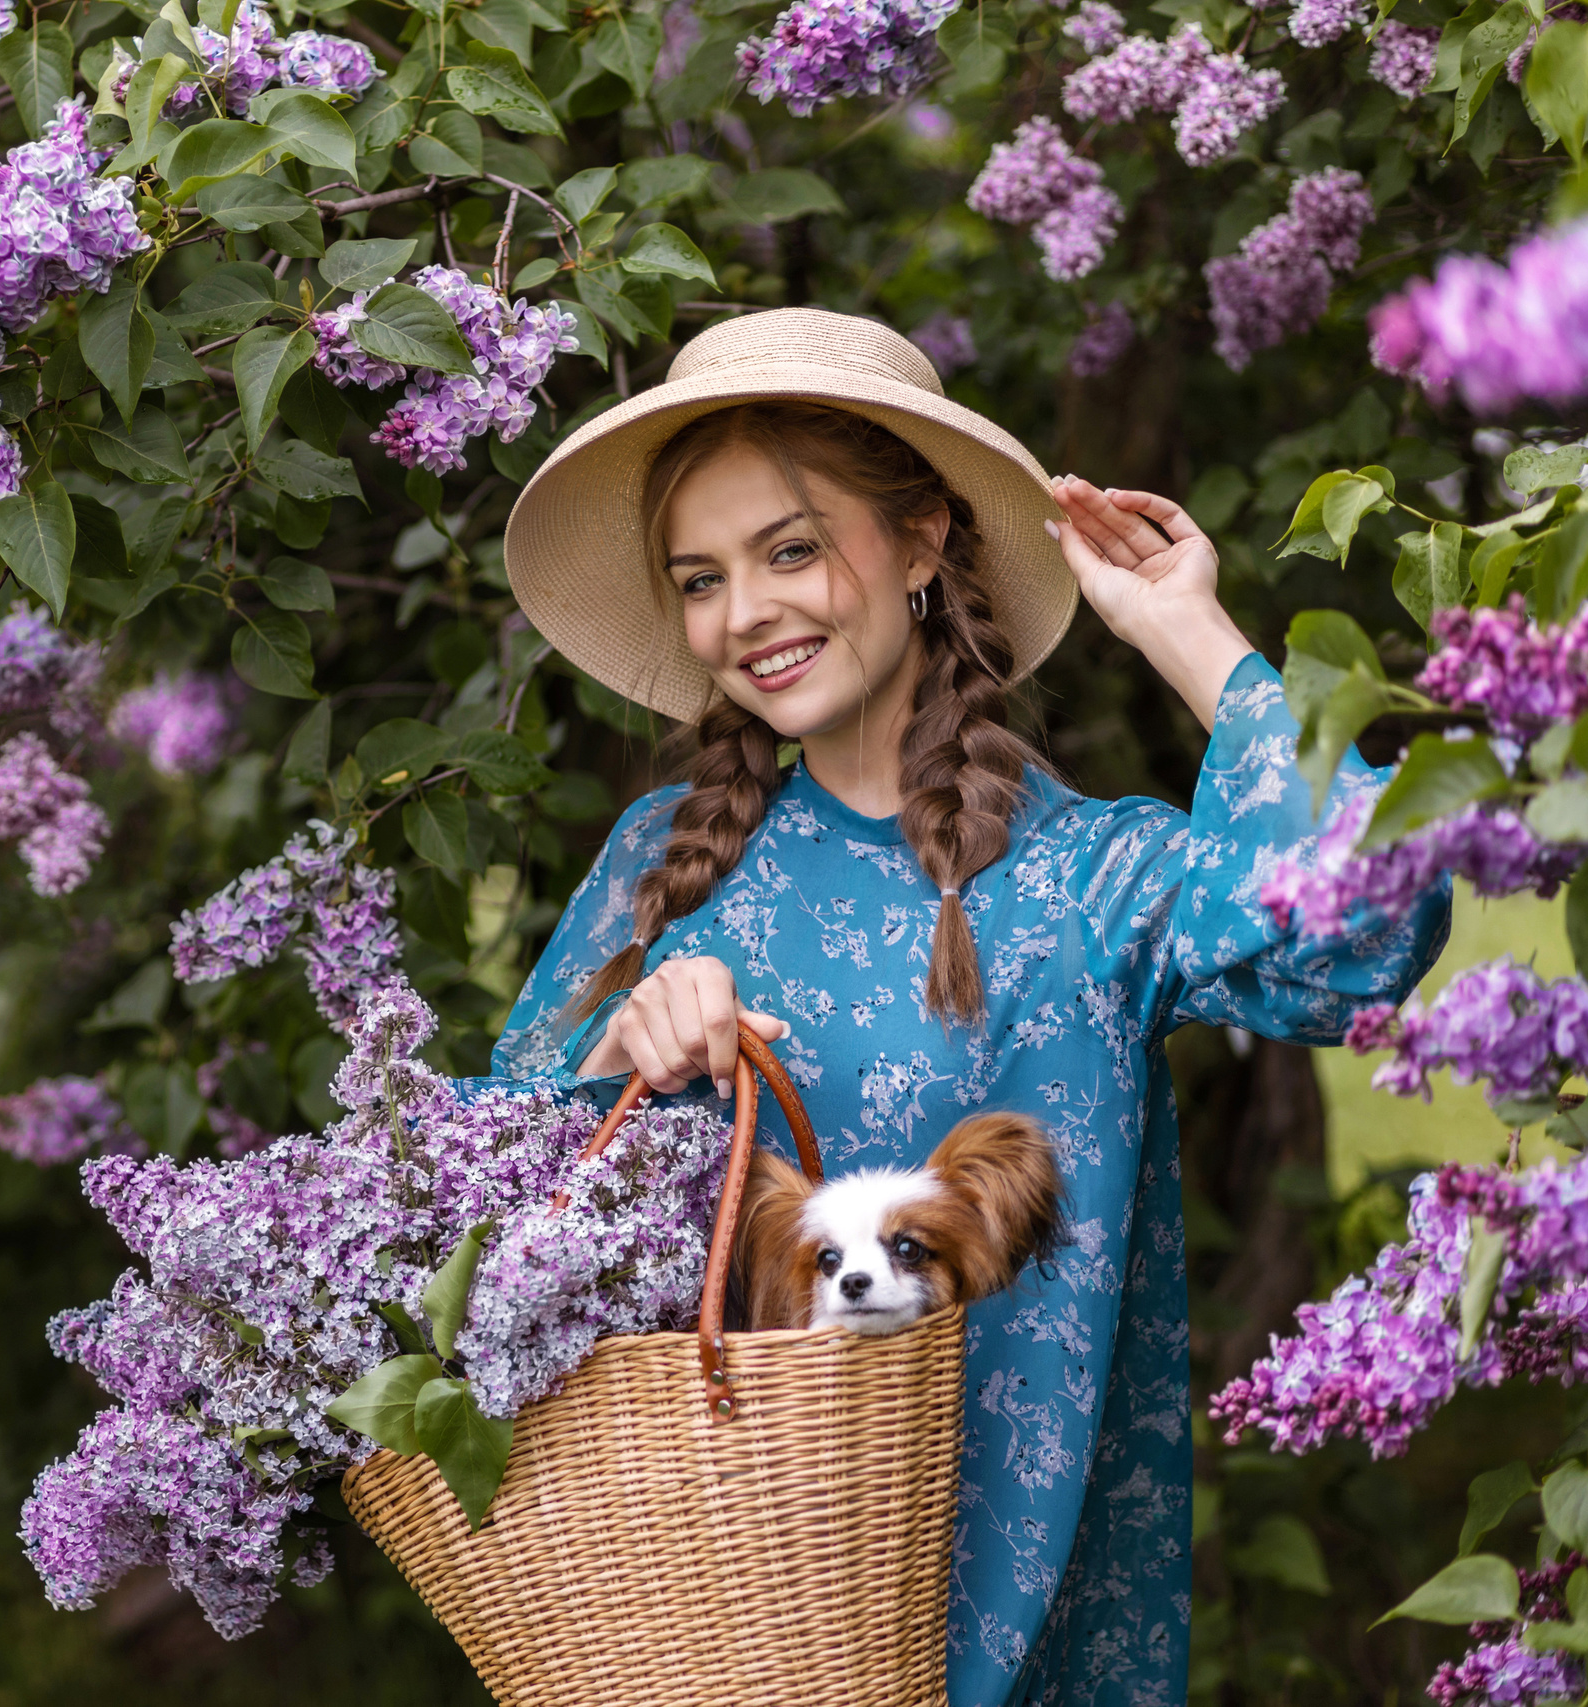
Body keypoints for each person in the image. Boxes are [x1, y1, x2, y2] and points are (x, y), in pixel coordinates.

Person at [492, 308, 1448, 1705]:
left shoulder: (1091, 884)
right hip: (712, 1638)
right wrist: (615, 1052)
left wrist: (1190, 634)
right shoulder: (661, 863)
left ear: (927, 541)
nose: (743, 614)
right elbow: (483, 1223)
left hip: (1027, 1647)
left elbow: (1369, 930)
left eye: (792, 549)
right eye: (699, 578)